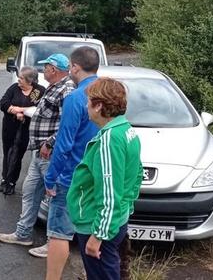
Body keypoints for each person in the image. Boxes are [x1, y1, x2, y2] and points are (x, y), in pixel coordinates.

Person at [0, 53, 75, 259]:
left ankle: (53, 243)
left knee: (54, 199)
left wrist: (51, 142)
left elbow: (69, 125)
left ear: (54, 70)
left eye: (46, 67)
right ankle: (23, 234)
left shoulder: (67, 90)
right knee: (30, 192)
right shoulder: (53, 87)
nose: (44, 71)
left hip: (50, 153)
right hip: (38, 152)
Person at [67, 78, 142, 280]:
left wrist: (98, 235)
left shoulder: (109, 140)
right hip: (116, 222)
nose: (86, 106)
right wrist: (126, 209)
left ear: (99, 106)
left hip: (98, 225)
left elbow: (108, 191)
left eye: (89, 101)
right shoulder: (127, 131)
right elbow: (136, 176)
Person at [42, 47, 100, 279]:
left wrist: (51, 177)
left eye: (71, 67)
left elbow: (64, 143)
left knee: (59, 233)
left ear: (75, 67)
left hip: (72, 176)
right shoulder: (106, 93)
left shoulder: (76, 98)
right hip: (99, 174)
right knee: (91, 229)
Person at [0, 66, 45, 195]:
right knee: (7, 153)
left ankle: (12, 181)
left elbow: (39, 108)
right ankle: (5, 179)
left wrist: (21, 110)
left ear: (30, 80)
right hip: (10, 126)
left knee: (18, 155)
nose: (18, 81)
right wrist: (15, 111)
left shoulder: (39, 91)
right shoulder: (14, 88)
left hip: (27, 128)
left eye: (21, 79)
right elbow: (3, 103)